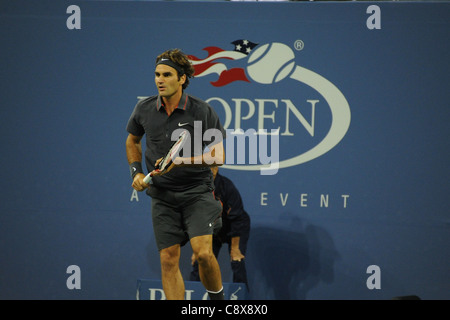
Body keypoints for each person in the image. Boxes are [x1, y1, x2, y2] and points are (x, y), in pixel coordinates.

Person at [125, 49, 226, 300]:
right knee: (168, 259)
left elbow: (218, 156)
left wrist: (180, 161)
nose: (160, 79)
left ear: (182, 79)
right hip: (162, 195)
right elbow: (133, 141)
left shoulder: (202, 111)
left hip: (197, 193)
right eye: (157, 74)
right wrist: (136, 172)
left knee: (203, 253)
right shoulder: (144, 109)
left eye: (167, 75)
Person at [190, 166, 251, 292]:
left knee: (236, 260)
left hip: (235, 227)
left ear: (217, 169)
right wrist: (198, 246)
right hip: (213, 229)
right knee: (200, 260)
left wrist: (235, 248)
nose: (210, 170)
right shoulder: (196, 188)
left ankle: (241, 297)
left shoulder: (227, 187)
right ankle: (193, 294)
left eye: (213, 166)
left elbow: (237, 218)